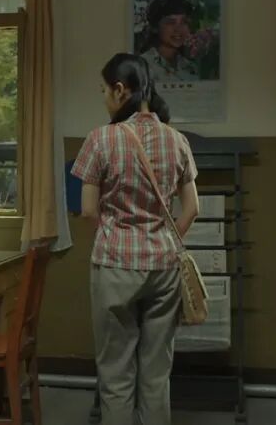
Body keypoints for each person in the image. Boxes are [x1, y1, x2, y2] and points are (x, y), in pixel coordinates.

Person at [71, 53, 200, 425]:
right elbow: (191, 208)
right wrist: (166, 241)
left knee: (115, 376)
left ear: (120, 90)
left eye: (104, 90)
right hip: (164, 267)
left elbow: (89, 211)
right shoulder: (176, 140)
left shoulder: (100, 139)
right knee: (157, 376)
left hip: (115, 266)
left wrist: (112, 240)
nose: (103, 98)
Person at [138, 0, 200, 82]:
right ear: (155, 27)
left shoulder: (191, 68)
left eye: (184, 22)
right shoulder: (142, 66)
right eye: (170, 22)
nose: (178, 29)